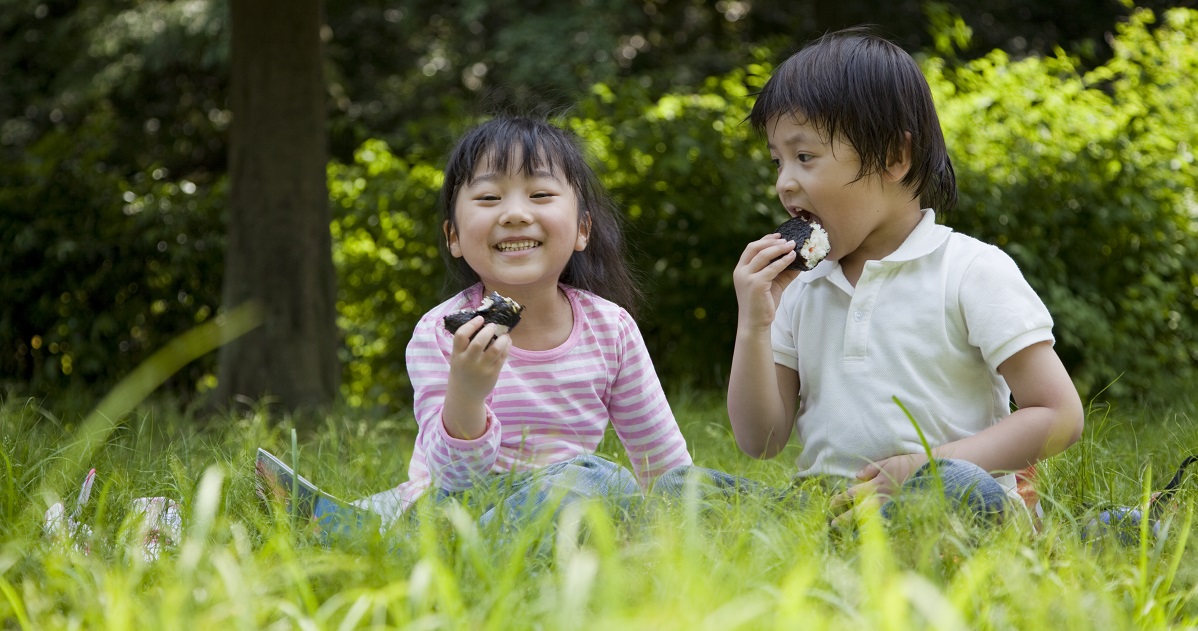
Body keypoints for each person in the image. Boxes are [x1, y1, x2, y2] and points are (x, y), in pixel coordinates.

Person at [727, 28, 1085, 525]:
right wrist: (754, 324)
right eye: (777, 161)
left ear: (895, 158)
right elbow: (760, 441)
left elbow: (1059, 415)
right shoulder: (798, 290)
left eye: (804, 157)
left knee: (961, 493)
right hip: (829, 507)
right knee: (689, 488)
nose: (784, 181)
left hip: (945, 496)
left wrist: (927, 468)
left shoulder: (970, 271)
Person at [321, 115, 694, 530]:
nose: (515, 214)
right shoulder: (441, 332)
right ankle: (360, 524)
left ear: (582, 229)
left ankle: (378, 530)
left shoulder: (611, 329)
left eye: (540, 193)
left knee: (606, 482)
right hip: (459, 504)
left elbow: (663, 465)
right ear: (454, 237)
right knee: (419, 504)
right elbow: (452, 478)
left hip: (566, 498)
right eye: (488, 198)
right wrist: (467, 391)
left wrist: (683, 517)